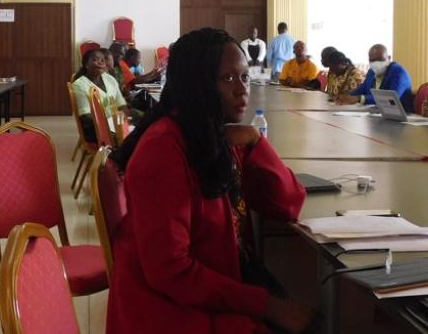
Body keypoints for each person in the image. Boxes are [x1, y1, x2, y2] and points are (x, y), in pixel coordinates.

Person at [106, 28, 313, 334]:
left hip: (208, 292)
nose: (242, 90)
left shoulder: (215, 137)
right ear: (198, 84)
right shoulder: (163, 150)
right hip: (171, 313)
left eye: (244, 78)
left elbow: (288, 205)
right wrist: (267, 305)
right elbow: (170, 271)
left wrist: (256, 142)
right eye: (228, 79)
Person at [72, 48, 127, 143]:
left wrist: (123, 120)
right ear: (86, 64)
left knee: (136, 132)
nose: (100, 62)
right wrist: (109, 124)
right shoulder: (79, 85)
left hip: (114, 124)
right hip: (94, 129)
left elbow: (121, 104)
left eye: (102, 60)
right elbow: (86, 117)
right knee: (127, 141)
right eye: (95, 59)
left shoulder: (110, 79)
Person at [336, 44, 414, 110]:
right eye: (372, 60)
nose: (376, 63)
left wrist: (359, 98)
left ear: (389, 58)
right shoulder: (372, 71)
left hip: (401, 117)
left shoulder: (398, 72)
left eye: (380, 59)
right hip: (376, 114)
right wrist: (347, 96)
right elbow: (363, 89)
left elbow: (390, 99)